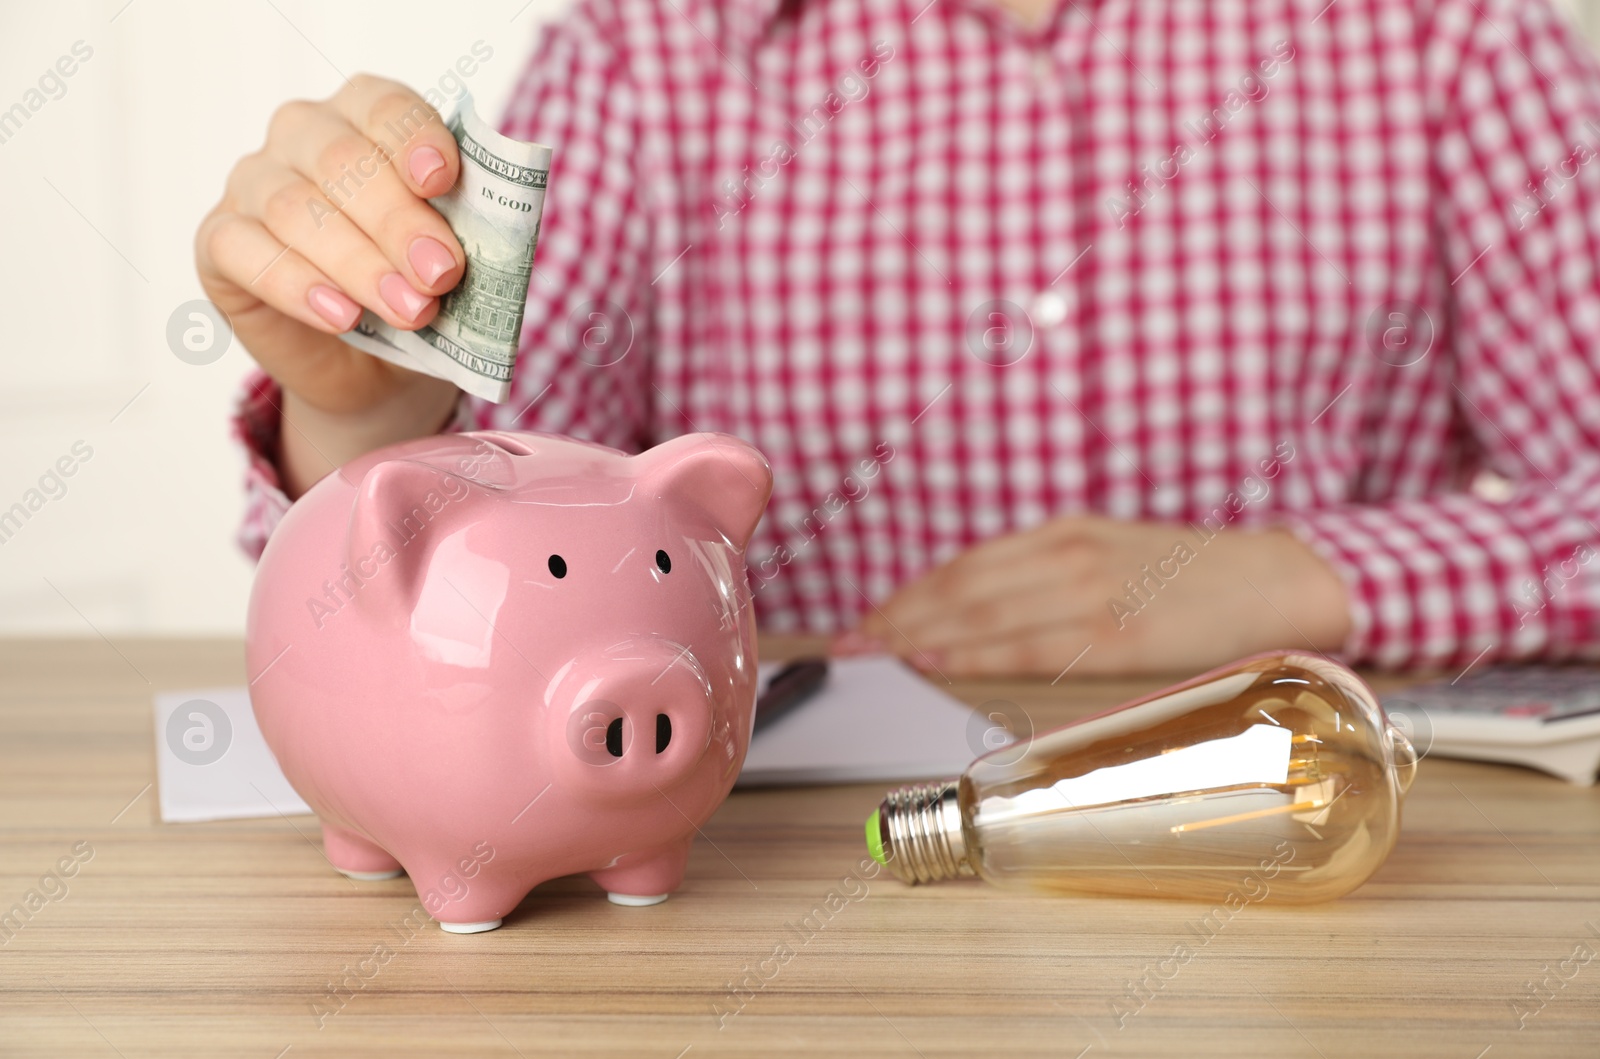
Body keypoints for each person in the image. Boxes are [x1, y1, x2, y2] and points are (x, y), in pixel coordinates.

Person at [199, 0, 1600, 679]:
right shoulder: (644, 56)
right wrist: (372, 415)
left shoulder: (1454, 38)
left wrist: (1312, 582)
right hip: (760, 901)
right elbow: (476, 558)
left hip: (1325, 868)